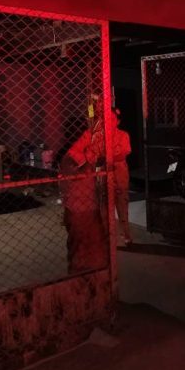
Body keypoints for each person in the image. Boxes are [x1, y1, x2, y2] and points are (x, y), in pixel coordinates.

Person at [59, 117, 108, 274]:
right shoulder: (71, 154)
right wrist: (92, 148)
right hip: (79, 209)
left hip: (87, 206)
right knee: (81, 248)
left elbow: (96, 162)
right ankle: (79, 277)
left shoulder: (79, 151)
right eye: (86, 133)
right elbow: (83, 167)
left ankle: (92, 276)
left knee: (93, 246)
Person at [109, 109, 134, 246]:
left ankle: (126, 234)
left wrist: (108, 158)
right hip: (106, 176)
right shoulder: (101, 137)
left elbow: (124, 152)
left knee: (122, 206)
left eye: (113, 119)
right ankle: (109, 237)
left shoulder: (123, 135)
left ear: (118, 121)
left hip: (119, 175)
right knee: (106, 209)